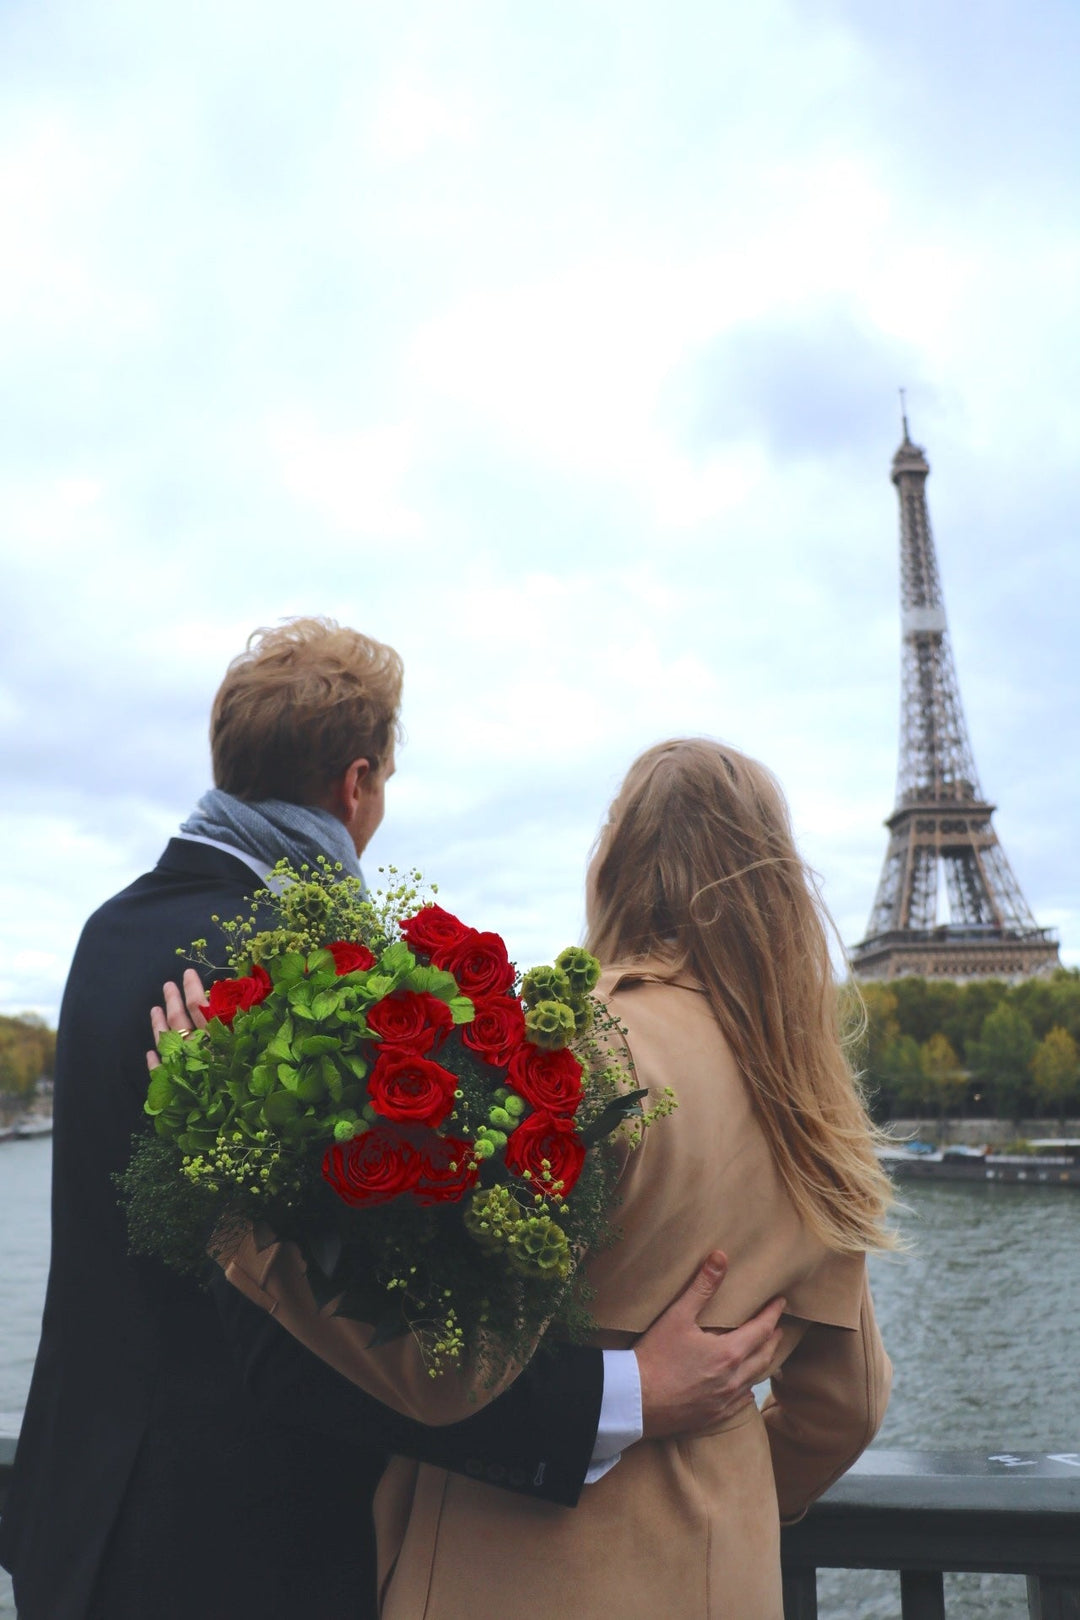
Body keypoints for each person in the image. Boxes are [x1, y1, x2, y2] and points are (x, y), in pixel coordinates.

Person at [0, 628, 780, 1620]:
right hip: (235, 1557)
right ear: (356, 784)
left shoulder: (110, 931)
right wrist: (620, 1399)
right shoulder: (292, 974)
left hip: (82, 1530)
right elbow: (308, 1328)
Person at [211, 735, 895, 1620]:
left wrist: (246, 1233)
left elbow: (442, 1370)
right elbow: (847, 1408)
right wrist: (733, 1486)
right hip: (724, 1571)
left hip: (515, 1565)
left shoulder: (578, 1050)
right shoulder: (810, 1098)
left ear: (615, 864)